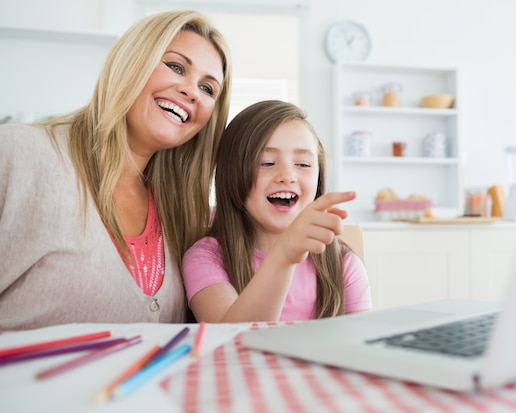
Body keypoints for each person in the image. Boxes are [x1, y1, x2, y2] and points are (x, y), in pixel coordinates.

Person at [0, 10, 232, 330]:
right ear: (132, 61)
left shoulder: (184, 217)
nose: (192, 91)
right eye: (176, 66)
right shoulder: (16, 155)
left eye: (208, 89)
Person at [183, 100, 372, 323]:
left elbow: (359, 345)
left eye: (303, 164)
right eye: (266, 162)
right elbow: (231, 339)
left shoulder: (343, 263)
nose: (287, 175)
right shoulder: (205, 257)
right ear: (231, 174)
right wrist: (283, 256)